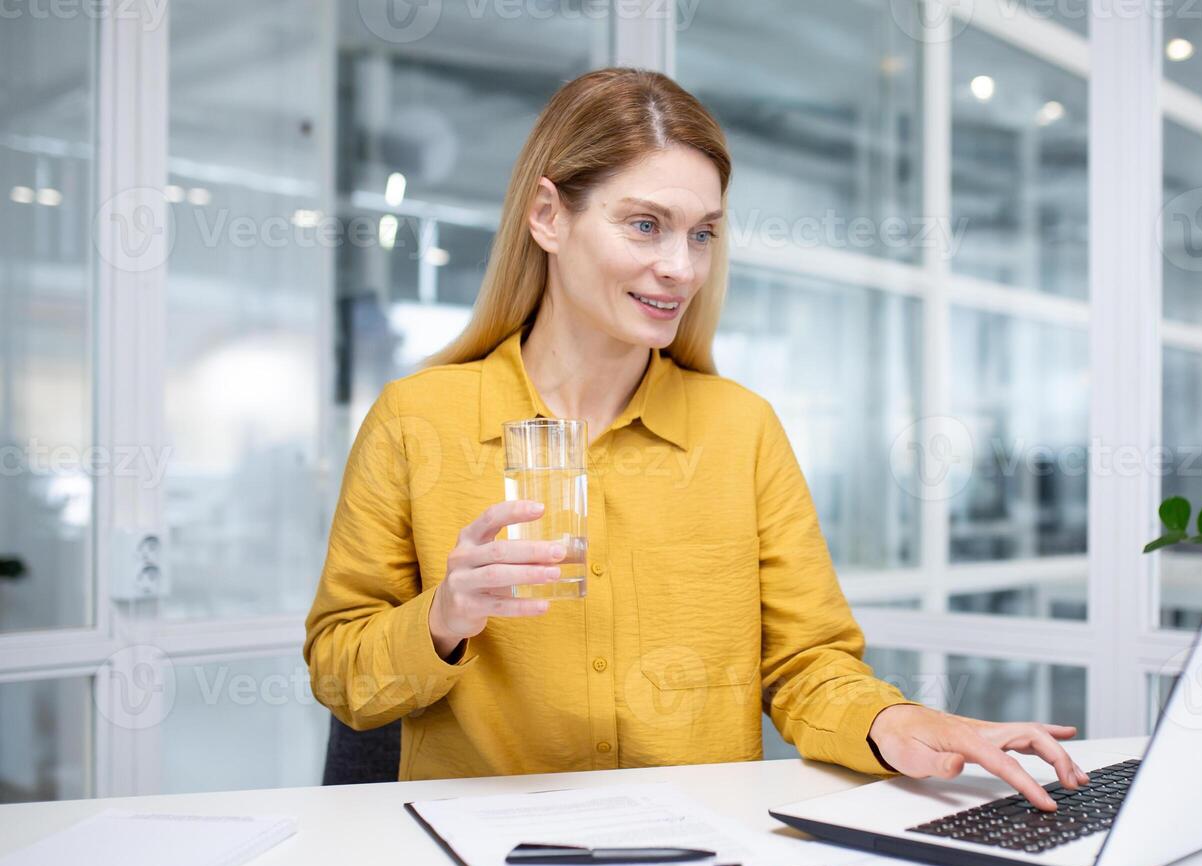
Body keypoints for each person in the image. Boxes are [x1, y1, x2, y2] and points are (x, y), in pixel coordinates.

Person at [304, 65, 1085, 823]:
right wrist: (441, 617)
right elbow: (342, 671)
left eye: (702, 233)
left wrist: (904, 726)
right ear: (548, 216)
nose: (680, 268)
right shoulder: (417, 420)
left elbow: (806, 666)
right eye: (645, 224)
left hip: (699, 863)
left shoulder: (740, 431)